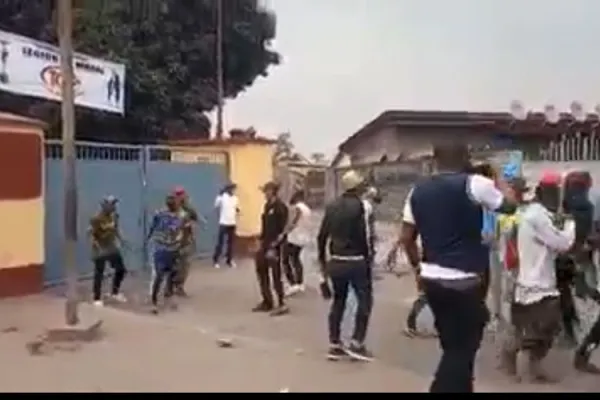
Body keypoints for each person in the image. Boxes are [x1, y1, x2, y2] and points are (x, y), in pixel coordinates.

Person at [399, 144, 517, 393]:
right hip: (465, 279)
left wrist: (417, 269)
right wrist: (500, 180)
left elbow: (407, 238)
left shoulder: (416, 191)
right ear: (465, 158)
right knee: (461, 351)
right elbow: (510, 206)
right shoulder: (475, 183)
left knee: (453, 345)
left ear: (435, 160)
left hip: (432, 280)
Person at [498, 172, 575, 383]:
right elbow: (562, 244)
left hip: (528, 280)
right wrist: (571, 225)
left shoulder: (532, 213)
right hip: (536, 282)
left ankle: (529, 365)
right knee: (548, 324)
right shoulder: (537, 217)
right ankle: (514, 356)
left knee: (534, 326)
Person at [318, 170, 375, 362]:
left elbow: (321, 237)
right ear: (358, 187)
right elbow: (365, 236)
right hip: (356, 260)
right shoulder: (362, 206)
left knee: (338, 301)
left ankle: (334, 344)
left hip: (336, 260)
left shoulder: (332, 206)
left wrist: (323, 267)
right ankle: (357, 343)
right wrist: (369, 259)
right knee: (365, 301)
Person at [253, 181, 289, 316]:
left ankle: (281, 303)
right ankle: (267, 301)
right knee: (261, 271)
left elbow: (284, 229)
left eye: (267, 191)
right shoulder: (267, 206)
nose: (265, 194)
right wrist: (260, 241)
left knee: (276, 274)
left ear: (273, 191)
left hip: (275, 245)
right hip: (265, 243)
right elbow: (265, 226)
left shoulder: (280, 207)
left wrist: (275, 245)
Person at [147, 194, 183, 314]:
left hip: (172, 248)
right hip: (161, 248)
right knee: (159, 275)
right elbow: (153, 228)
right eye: (172, 202)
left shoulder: (178, 217)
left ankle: (168, 297)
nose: (175, 205)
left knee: (172, 273)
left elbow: (179, 231)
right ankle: (154, 302)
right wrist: (151, 238)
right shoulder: (160, 215)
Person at [88, 195, 127, 307]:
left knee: (121, 269)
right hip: (99, 248)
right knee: (99, 273)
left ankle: (115, 293)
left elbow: (116, 229)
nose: (114, 206)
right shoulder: (96, 218)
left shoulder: (115, 216)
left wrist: (122, 239)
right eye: (111, 204)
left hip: (111, 247)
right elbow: (91, 234)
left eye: (114, 204)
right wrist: (96, 247)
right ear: (104, 206)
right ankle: (96, 298)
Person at [282, 190, 312, 297]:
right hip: (303, 238)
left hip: (294, 238)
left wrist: (284, 232)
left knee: (285, 260)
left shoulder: (298, 208)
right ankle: (300, 282)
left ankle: (293, 283)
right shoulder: (307, 209)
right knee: (296, 259)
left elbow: (293, 222)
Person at [172, 186, 200, 297]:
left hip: (186, 241)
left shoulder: (188, 209)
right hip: (173, 241)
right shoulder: (171, 208)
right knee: (174, 265)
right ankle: (171, 287)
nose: (180, 197)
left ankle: (179, 287)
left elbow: (196, 218)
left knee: (185, 265)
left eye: (181, 195)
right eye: (177, 195)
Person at [213, 183, 239, 269]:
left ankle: (229, 260)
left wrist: (238, 211)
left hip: (232, 223)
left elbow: (236, 208)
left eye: (234, 189)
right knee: (220, 243)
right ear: (228, 189)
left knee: (230, 244)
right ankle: (216, 260)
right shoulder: (223, 197)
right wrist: (219, 195)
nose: (233, 191)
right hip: (224, 223)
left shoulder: (235, 198)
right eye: (232, 189)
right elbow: (216, 205)